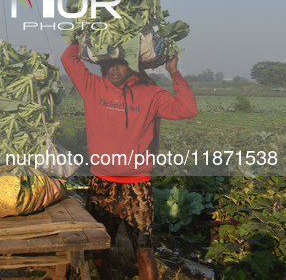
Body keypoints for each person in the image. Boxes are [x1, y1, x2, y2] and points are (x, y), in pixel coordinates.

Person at [61, 43, 197, 280]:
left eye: (121, 63)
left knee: (144, 250)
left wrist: (173, 72)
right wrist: (82, 35)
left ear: (133, 65)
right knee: (99, 245)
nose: (114, 69)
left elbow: (188, 109)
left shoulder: (151, 94)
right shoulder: (92, 86)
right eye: (109, 63)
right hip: (102, 183)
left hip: (137, 184)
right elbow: (68, 58)